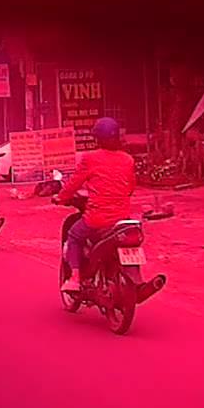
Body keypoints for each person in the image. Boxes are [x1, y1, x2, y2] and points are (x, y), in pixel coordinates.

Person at [56, 117, 136, 292]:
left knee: (74, 235)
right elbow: (130, 188)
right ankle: (136, 281)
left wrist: (60, 198)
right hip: (122, 220)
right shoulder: (128, 159)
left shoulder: (90, 158)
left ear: (97, 138)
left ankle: (75, 278)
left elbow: (73, 184)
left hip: (97, 219)